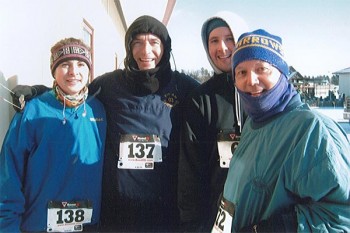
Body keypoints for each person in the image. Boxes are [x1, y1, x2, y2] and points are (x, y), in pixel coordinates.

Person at [10, 15, 200, 232]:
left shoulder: (185, 88)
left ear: (166, 47)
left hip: (165, 212)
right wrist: (38, 92)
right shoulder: (109, 84)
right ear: (129, 47)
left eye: (154, 42)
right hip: (116, 212)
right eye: (137, 42)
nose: (145, 51)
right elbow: (74, 91)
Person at [212, 29, 350, 232]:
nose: (251, 80)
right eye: (242, 72)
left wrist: (278, 228)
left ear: (282, 73)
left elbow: (341, 216)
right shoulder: (255, 123)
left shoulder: (311, 131)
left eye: (262, 69)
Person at [0, 37, 106, 232]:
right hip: (38, 225)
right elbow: (8, 177)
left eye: (81, 64)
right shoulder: (32, 112)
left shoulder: (98, 110)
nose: (74, 72)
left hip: (88, 226)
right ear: (53, 70)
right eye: (65, 64)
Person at [177, 11, 248, 232]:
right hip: (215, 218)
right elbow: (190, 168)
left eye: (230, 38)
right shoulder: (201, 99)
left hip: (263, 213)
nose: (223, 48)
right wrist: (192, 222)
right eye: (214, 41)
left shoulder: (261, 92)